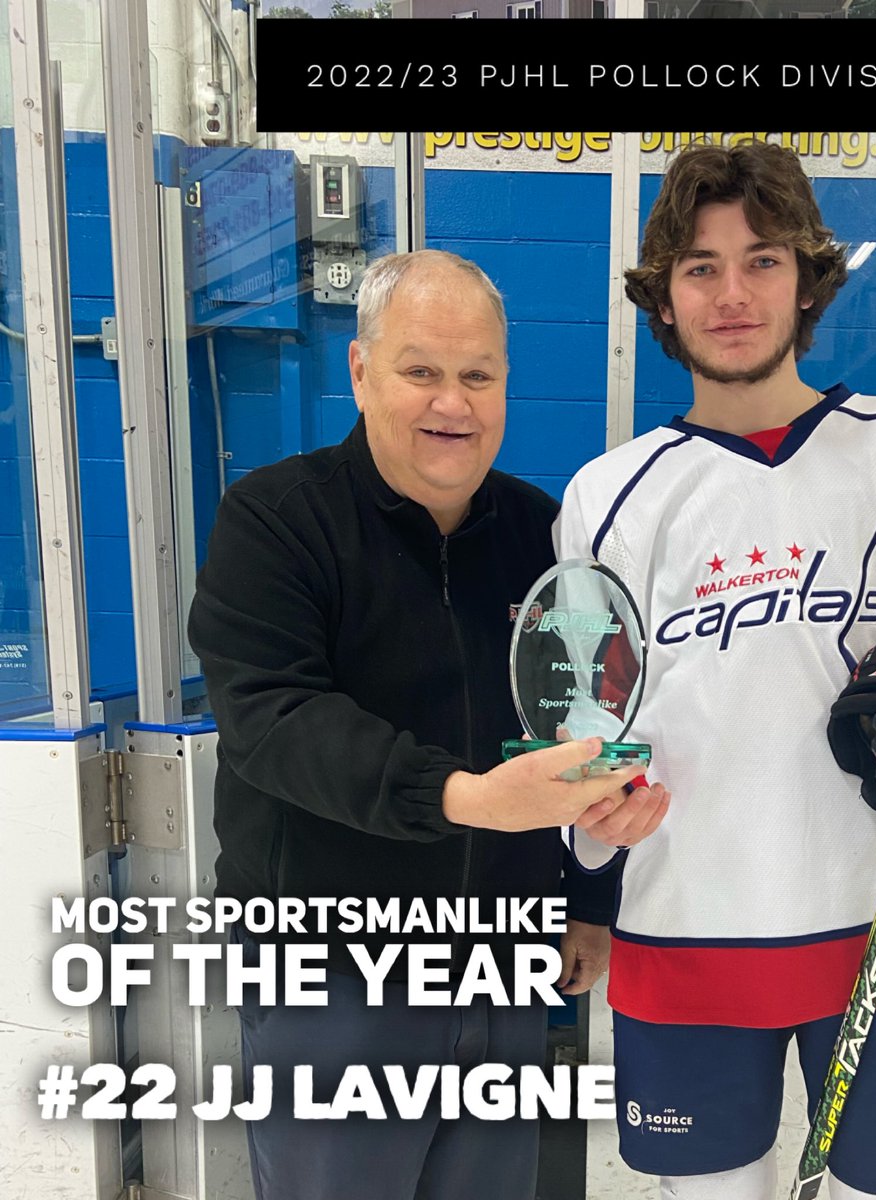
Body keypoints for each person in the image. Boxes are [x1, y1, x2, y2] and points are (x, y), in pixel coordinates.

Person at [555, 143, 876, 1200]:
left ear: (809, 278)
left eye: (763, 259)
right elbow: (583, 736)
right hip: (687, 930)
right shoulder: (608, 497)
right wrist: (589, 835)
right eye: (700, 267)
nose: (733, 293)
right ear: (663, 294)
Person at [187, 249, 668, 1200]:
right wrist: (467, 800)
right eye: (422, 371)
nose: (453, 401)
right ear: (362, 373)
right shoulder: (276, 522)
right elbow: (274, 720)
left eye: (478, 375)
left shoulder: (544, 534)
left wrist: (585, 893)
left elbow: (579, 720)